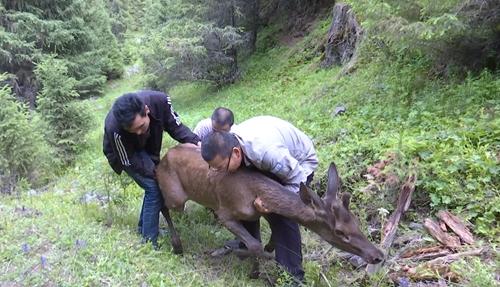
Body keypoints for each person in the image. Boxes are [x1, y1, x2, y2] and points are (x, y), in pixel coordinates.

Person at [200, 116, 318, 283]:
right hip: (269, 156)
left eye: (220, 167)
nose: (217, 171)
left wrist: (273, 205)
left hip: (299, 165)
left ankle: (292, 277)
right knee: (240, 190)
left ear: (236, 153)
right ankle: (248, 244)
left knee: (282, 216)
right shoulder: (231, 144)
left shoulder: (266, 153)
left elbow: (297, 179)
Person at [103, 90, 200, 248]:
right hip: (125, 154)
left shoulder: (161, 101)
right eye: (133, 131)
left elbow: (176, 127)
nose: (139, 132)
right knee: (154, 188)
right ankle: (149, 240)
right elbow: (129, 160)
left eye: (141, 126)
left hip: (149, 147)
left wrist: (197, 142)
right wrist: (156, 173)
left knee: (155, 187)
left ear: (146, 110)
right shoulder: (114, 127)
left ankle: (144, 229)